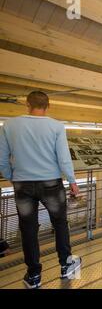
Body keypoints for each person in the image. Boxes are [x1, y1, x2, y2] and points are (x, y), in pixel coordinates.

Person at [0, 91, 82, 289]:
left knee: (28, 229)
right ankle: (66, 266)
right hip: (51, 183)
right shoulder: (56, 126)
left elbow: (2, 159)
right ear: (48, 106)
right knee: (60, 224)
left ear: (27, 104)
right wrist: (72, 181)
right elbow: (63, 157)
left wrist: (13, 177)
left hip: (22, 184)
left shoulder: (9, 125)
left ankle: (34, 276)